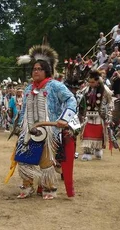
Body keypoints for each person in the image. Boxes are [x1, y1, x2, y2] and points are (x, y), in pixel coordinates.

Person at [9, 45, 80, 200]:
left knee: (46, 161)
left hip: (49, 131)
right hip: (28, 130)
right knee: (23, 159)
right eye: (34, 69)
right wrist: (20, 127)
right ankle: (27, 187)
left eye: (39, 69)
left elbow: (71, 100)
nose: (36, 71)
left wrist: (64, 119)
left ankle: (49, 188)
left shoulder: (55, 86)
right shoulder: (28, 88)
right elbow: (24, 110)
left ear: (46, 71)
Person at [78, 70, 113, 160]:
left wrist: (109, 115)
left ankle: (98, 149)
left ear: (98, 81)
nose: (90, 84)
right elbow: (81, 100)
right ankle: (87, 152)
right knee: (86, 134)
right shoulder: (86, 89)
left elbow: (110, 103)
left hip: (100, 116)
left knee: (98, 135)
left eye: (93, 82)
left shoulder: (105, 90)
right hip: (88, 116)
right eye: (89, 82)